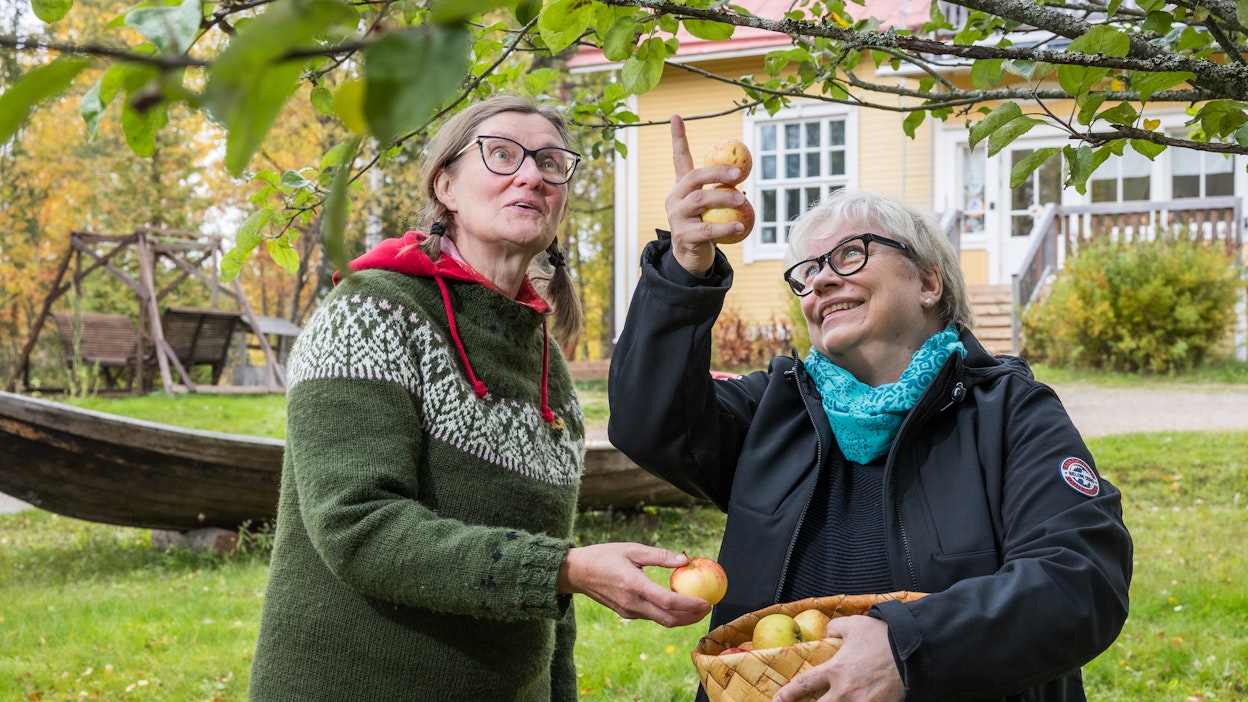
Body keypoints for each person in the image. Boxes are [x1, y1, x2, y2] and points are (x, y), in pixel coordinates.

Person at [607, 115, 1133, 702]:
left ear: (929, 282)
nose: (821, 282)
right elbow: (647, 421)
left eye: (850, 255)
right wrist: (683, 267)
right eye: (807, 273)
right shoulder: (774, 410)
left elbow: (1080, 580)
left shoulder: (1008, 412)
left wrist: (911, 649)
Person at [249, 97, 710, 702]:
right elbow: (356, 526)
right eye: (501, 155)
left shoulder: (553, 375)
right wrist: (564, 568)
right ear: (447, 185)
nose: (530, 175)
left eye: (550, 162)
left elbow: (551, 605)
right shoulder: (371, 312)